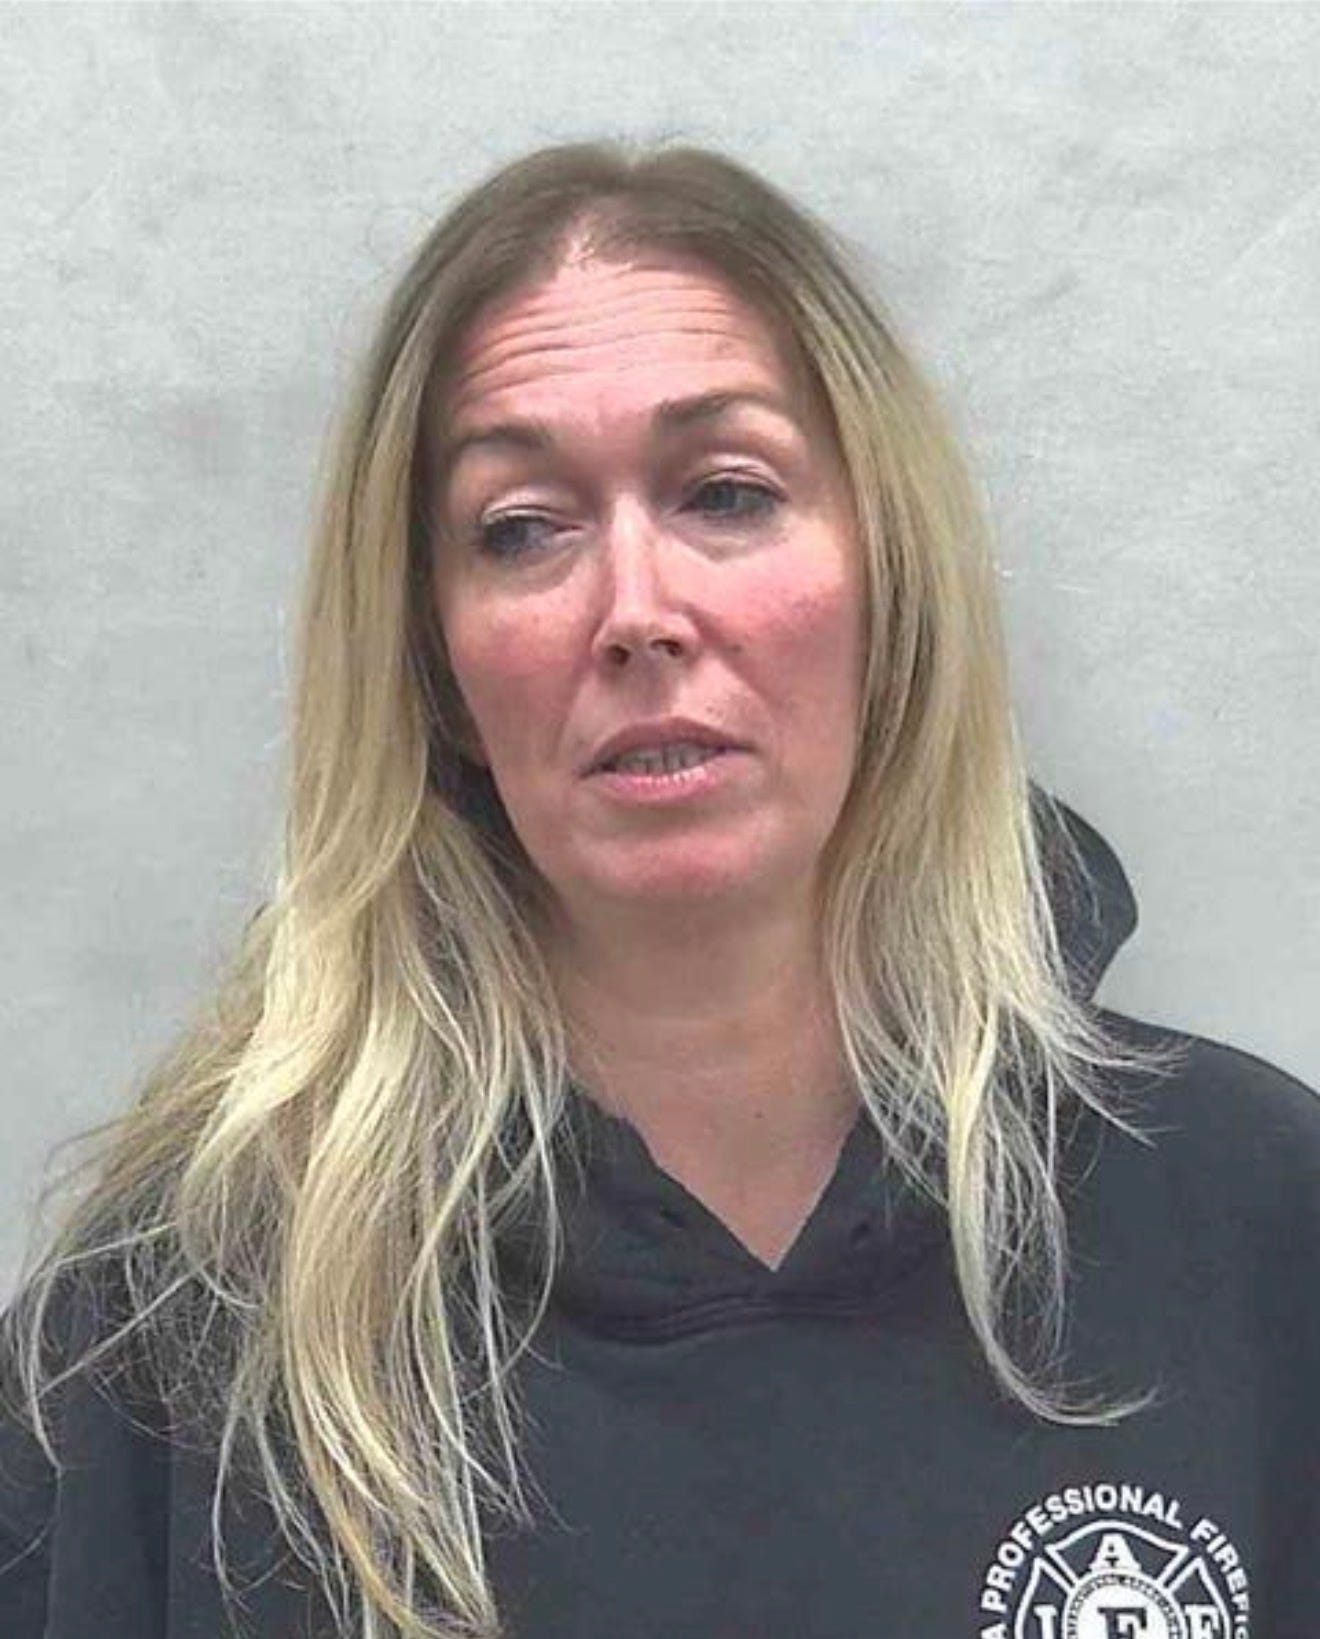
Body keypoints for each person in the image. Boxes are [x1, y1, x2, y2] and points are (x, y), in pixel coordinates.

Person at [1, 140, 1316, 1639]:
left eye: (727, 494)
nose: (637, 610)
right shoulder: (174, 1340)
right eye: (522, 529)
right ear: (433, 660)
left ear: (891, 575)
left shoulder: (1249, 1221)